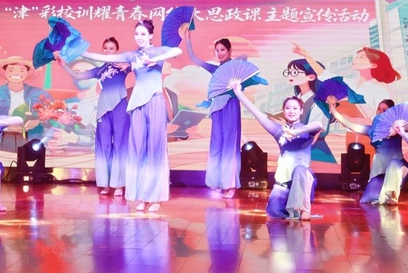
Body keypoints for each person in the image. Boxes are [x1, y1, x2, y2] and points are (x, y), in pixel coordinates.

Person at [82, 20, 182, 213]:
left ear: (150, 35)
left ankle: (155, 197)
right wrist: (79, 52)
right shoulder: (131, 55)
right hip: (137, 104)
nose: (140, 37)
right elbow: (100, 57)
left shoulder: (158, 51)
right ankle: (142, 196)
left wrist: (156, 59)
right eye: (137, 34)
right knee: (137, 149)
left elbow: (177, 51)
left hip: (154, 102)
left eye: (143, 34)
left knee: (155, 149)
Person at [231, 84, 322, 220]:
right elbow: (257, 113)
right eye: (288, 108)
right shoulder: (279, 131)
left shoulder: (305, 129)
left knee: (300, 170)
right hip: (284, 181)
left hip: (303, 179)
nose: (291, 111)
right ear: (283, 111)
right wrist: (238, 93)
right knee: (273, 211)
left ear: (301, 111)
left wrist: (296, 132)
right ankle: (293, 210)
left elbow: (318, 125)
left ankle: (304, 209)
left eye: (295, 108)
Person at [55, 37, 131, 196]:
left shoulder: (123, 65)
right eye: (106, 48)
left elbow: (140, 65)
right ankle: (106, 184)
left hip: (120, 106)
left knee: (120, 144)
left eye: (111, 48)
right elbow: (77, 76)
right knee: (104, 145)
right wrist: (62, 64)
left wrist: (130, 64)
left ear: (116, 50)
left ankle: (119, 185)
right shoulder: (99, 71)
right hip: (103, 108)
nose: (108, 51)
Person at [327, 97, 408, 204]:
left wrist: (399, 129)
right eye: (379, 109)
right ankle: (383, 192)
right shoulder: (372, 130)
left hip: (399, 169)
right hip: (381, 173)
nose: (380, 112)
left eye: (384, 110)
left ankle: (394, 195)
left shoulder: (397, 128)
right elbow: (351, 125)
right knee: (367, 199)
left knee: (393, 164)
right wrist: (333, 110)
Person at [185, 31, 241, 198]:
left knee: (229, 145)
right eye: (217, 50)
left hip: (231, 107)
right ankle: (217, 181)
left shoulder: (236, 67)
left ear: (229, 51)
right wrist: (188, 40)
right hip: (217, 110)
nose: (220, 53)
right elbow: (194, 58)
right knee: (216, 144)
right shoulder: (215, 69)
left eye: (222, 49)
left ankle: (230, 185)